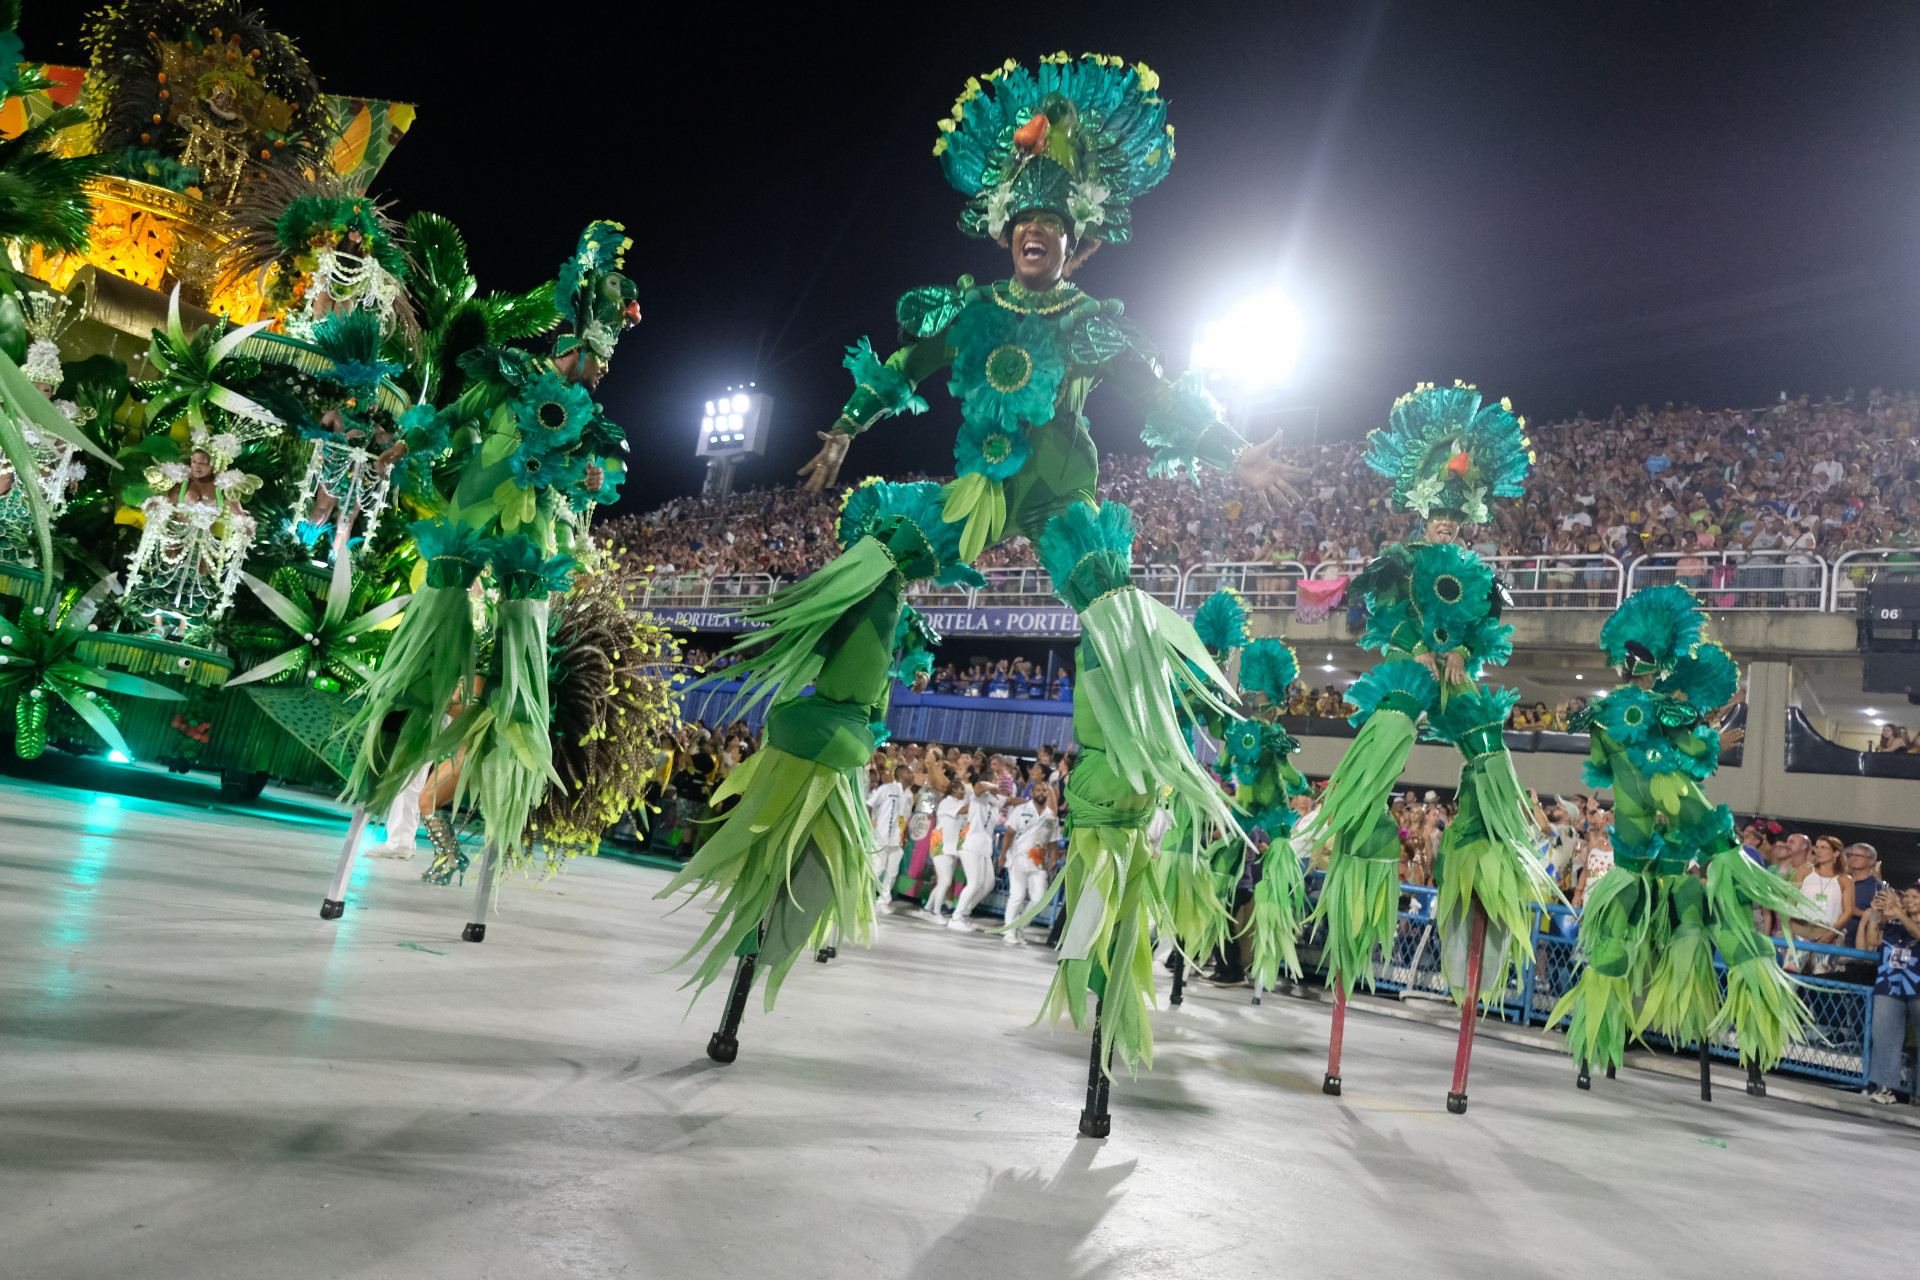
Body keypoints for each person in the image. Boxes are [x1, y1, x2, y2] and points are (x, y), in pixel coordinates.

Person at [1856, 881, 1920, 1104]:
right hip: (1889, 984)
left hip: (1917, 987)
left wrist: (1899, 913)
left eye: (1915, 897)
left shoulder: (1901, 917)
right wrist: (1875, 913)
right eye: (1907, 896)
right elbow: (1873, 940)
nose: (1909, 901)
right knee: (1883, 1035)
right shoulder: (1893, 921)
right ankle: (1884, 1088)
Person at [1001, 781, 1062, 944]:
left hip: (1038, 863)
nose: (1041, 793)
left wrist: (1054, 858)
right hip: (1018, 858)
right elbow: (1009, 833)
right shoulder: (1021, 810)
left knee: (1039, 899)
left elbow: (1053, 842)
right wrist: (1003, 855)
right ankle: (1008, 931)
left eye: (1044, 790)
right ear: (1032, 793)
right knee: (1017, 896)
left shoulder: (1052, 817)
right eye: (1038, 790)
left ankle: (1019, 928)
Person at [947, 777, 1010, 932]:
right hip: (971, 844)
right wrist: (993, 786)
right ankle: (956, 917)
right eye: (995, 779)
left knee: (988, 884)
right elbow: (980, 785)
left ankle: (964, 914)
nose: (998, 783)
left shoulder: (997, 800)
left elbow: (1012, 801)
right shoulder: (979, 796)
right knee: (974, 883)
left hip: (985, 847)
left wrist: (1030, 803)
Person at [1789, 835, 1855, 973]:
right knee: (1791, 971)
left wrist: (1831, 932)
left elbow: (1848, 911)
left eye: (1824, 848)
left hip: (1828, 933)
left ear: (1835, 853)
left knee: (1822, 974)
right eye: (1817, 847)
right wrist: (1789, 928)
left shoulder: (1845, 880)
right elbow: (1791, 901)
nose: (1819, 851)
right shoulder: (1804, 872)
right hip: (1801, 929)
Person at [921, 776, 971, 922]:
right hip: (940, 846)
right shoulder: (947, 802)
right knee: (945, 881)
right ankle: (936, 913)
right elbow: (964, 810)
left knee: (944, 881)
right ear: (953, 790)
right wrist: (977, 801)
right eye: (961, 789)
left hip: (951, 848)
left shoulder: (959, 803)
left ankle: (927, 909)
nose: (964, 792)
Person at [867, 764, 914, 912]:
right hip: (881, 836)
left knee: (892, 872)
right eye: (909, 773)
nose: (912, 775)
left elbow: (903, 817)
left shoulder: (909, 795)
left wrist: (904, 836)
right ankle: (862, 897)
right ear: (900, 775)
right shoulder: (886, 789)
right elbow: (869, 805)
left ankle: (883, 901)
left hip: (897, 840)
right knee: (877, 869)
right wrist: (868, 826)